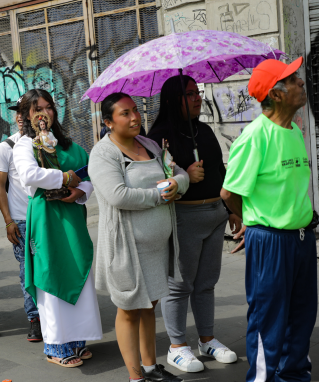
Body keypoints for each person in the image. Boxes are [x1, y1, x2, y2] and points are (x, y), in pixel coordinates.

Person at [221, 57, 317, 382]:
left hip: (301, 239)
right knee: (269, 321)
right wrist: (251, 220)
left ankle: (293, 376)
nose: (301, 82)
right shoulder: (254, 137)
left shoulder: (293, 131)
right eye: (292, 80)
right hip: (271, 242)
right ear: (276, 94)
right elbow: (229, 192)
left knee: (301, 318)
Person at [89, 93, 189, 382]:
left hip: (157, 247)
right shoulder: (103, 153)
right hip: (127, 247)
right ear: (108, 122)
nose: (134, 117)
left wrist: (177, 183)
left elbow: (178, 173)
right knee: (130, 309)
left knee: (150, 304)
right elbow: (117, 195)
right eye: (125, 113)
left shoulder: (150, 144)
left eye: (135, 110)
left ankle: (150, 368)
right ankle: (136, 378)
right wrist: (160, 194)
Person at [147, 76, 240, 372]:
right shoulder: (158, 136)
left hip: (215, 215)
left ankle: (207, 340)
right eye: (189, 94)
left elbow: (220, 170)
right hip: (183, 218)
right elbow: (155, 181)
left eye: (197, 92)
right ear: (174, 99)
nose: (198, 98)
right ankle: (177, 346)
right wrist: (184, 175)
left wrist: (231, 208)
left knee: (206, 284)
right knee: (179, 285)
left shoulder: (204, 130)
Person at [13, 89, 102, 368]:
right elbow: (29, 174)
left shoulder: (71, 146)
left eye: (48, 107)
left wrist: (81, 191)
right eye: (36, 109)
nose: (44, 113)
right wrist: (65, 177)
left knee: (77, 269)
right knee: (51, 273)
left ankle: (78, 340)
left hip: (72, 216)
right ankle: (55, 345)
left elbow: (90, 173)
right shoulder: (25, 145)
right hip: (46, 217)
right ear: (27, 115)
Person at [0, 99, 42, 342]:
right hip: (21, 221)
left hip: (45, 217)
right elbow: (0, 187)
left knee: (49, 268)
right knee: (27, 272)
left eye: (26, 111)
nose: (21, 116)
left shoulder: (47, 142)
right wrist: (8, 221)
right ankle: (34, 318)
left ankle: (53, 315)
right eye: (18, 113)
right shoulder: (7, 146)